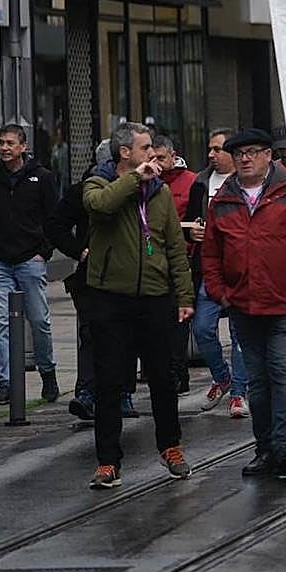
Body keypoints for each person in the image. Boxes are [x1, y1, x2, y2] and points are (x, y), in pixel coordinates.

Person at [201, 129, 286, 477]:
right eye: (239, 153)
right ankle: (264, 448)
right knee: (257, 380)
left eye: (253, 152)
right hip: (243, 304)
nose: (245, 158)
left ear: (268, 156)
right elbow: (211, 252)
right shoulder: (224, 199)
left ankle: (284, 446)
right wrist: (219, 291)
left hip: (285, 299)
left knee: (281, 371)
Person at [82, 122, 195, 489]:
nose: (153, 155)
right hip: (110, 298)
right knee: (111, 381)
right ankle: (108, 461)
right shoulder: (99, 183)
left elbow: (174, 246)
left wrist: (184, 296)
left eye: (153, 149)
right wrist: (134, 180)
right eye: (145, 148)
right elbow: (101, 207)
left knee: (163, 378)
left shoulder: (159, 194)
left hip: (155, 296)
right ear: (125, 153)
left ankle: (170, 446)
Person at [0, 123, 59, 406]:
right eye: (1, 143)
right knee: (2, 324)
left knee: (39, 320)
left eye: (10, 143)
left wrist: (44, 251)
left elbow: (54, 219)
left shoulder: (41, 178)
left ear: (23, 146)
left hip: (30, 260)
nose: (4, 148)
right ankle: (7, 383)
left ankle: (48, 373)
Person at [47, 140, 139, 420]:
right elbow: (55, 224)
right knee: (91, 333)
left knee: (125, 333)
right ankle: (87, 392)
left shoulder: (140, 186)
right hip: (92, 275)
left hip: (128, 273)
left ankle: (122, 393)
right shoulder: (86, 190)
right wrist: (78, 250)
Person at [184, 129, 249, 419]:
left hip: (240, 269)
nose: (211, 154)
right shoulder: (201, 182)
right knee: (202, 328)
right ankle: (221, 377)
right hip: (209, 268)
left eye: (217, 149)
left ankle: (238, 392)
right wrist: (192, 230)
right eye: (210, 149)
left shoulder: (245, 183)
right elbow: (189, 219)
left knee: (239, 334)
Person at [152, 135, 196, 394]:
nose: (157, 162)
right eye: (152, 157)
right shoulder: (146, 181)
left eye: (161, 157)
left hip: (183, 257)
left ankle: (179, 373)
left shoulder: (190, 181)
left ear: (173, 155)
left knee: (180, 320)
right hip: (154, 261)